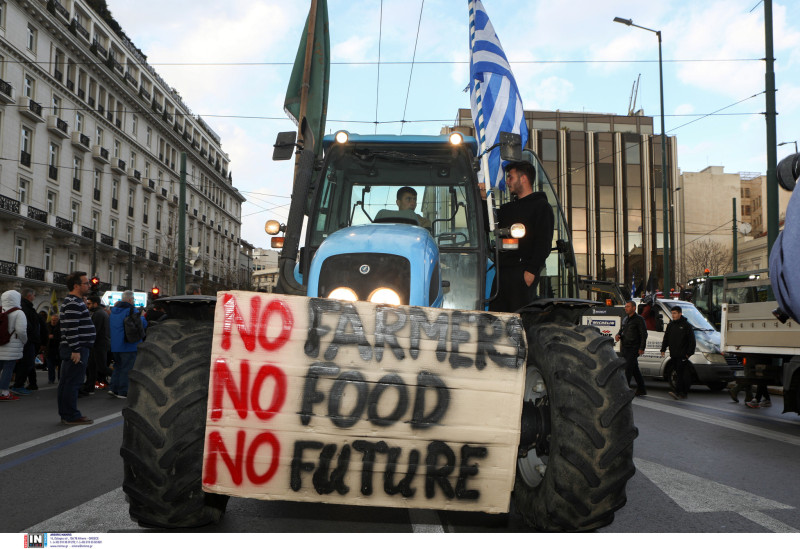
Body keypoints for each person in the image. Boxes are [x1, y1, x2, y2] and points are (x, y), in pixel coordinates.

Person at [489, 161, 554, 312]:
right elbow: (489, 225)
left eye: (510, 177)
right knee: (496, 318)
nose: (507, 181)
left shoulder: (541, 207)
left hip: (522, 273)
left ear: (523, 178)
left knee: (519, 319)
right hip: (502, 273)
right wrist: (483, 198)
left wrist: (531, 270)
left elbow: (543, 242)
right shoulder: (507, 209)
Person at [58, 272, 96, 425]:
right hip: (77, 348)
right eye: (86, 283)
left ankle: (66, 413)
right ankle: (71, 415)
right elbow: (71, 328)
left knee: (67, 382)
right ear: (76, 286)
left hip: (76, 347)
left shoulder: (76, 301)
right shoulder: (73, 302)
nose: (89, 286)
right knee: (72, 383)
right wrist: (75, 350)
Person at [108, 290, 147, 399]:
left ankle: (113, 388)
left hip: (115, 346)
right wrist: (143, 316)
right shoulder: (131, 310)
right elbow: (142, 324)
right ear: (130, 300)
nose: (134, 301)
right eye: (133, 299)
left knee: (118, 367)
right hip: (128, 345)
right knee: (127, 369)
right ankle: (123, 391)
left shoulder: (113, 311)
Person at [10, 288, 45, 394]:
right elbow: (27, 326)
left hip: (26, 340)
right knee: (27, 363)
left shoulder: (23, 307)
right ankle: (18, 385)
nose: (34, 297)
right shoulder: (25, 308)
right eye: (34, 295)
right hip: (27, 340)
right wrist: (32, 337)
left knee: (24, 364)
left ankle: (18, 384)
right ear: (29, 296)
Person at [660, 305, 696, 400]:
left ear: (680, 314)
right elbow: (666, 338)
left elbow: (692, 341)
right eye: (672, 313)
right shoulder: (671, 325)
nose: (673, 315)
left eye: (675, 313)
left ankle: (678, 392)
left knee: (681, 374)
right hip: (674, 354)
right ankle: (683, 393)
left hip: (683, 354)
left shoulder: (686, 325)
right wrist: (663, 349)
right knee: (679, 373)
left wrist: (689, 353)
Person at [615, 300, 648, 396]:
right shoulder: (625, 319)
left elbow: (643, 334)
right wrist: (618, 335)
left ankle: (625, 390)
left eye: (628, 306)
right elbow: (621, 330)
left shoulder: (639, 319)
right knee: (634, 369)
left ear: (634, 308)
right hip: (625, 347)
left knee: (628, 368)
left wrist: (642, 348)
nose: (626, 308)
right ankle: (642, 389)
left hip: (634, 347)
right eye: (625, 306)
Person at [0, 290, 28, 401]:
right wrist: (24, 341)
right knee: (8, 369)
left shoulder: (0, 310)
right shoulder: (19, 313)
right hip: (11, 345)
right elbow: (21, 331)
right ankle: (4, 392)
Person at [82, 296, 110, 395]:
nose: (88, 305)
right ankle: (90, 387)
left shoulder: (98, 314)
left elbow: (94, 330)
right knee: (92, 367)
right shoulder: (100, 313)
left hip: (99, 345)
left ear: (95, 304)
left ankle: (119, 378)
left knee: (101, 367)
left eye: (89, 304)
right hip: (98, 344)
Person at [45, 313, 61, 384]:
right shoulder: (47, 325)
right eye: (52, 320)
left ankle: (60, 379)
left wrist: (54, 337)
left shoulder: (61, 326)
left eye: (55, 320)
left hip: (58, 349)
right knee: (50, 366)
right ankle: (51, 379)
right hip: (49, 349)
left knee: (60, 366)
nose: (53, 321)